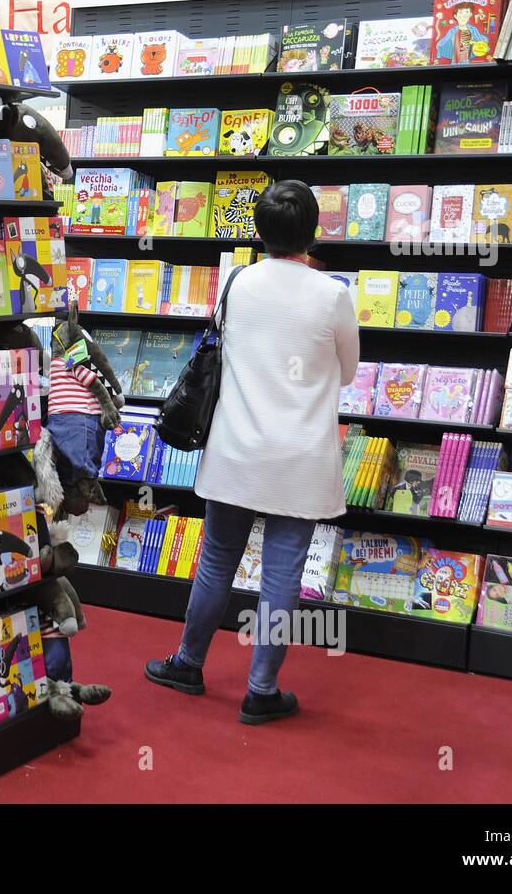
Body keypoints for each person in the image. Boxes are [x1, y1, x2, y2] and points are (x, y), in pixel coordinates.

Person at [144, 179, 359, 724]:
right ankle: (261, 690)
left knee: (217, 559)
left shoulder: (236, 283)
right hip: (301, 457)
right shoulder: (333, 294)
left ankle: (188, 662)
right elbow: (350, 371)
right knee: (282, 575)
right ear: (313, 233)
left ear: (259, 231)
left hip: (238, 449)